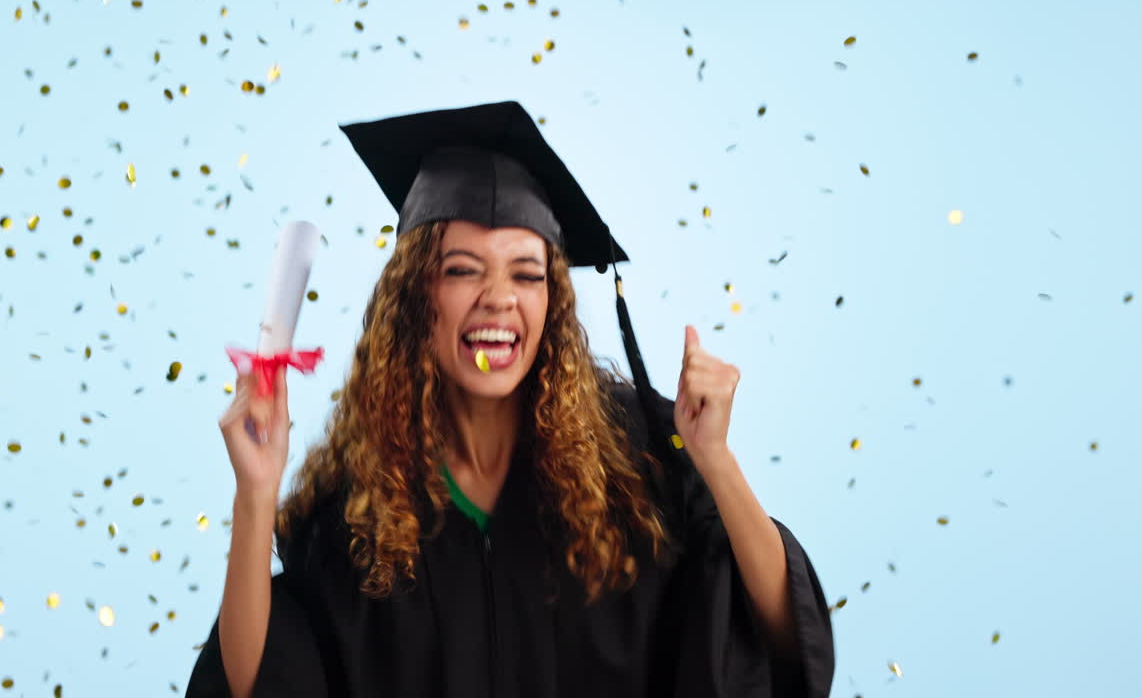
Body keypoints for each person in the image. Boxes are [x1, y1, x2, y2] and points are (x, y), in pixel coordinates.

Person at [185, 101, 835, 698]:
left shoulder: (641, 456)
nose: (499, 297)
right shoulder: (357, 505)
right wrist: (255, 494)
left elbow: (781, 643)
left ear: (551, 302)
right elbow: (256, 684)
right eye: (463, 269)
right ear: (417, 299)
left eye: (526, 273)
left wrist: (715, 461)